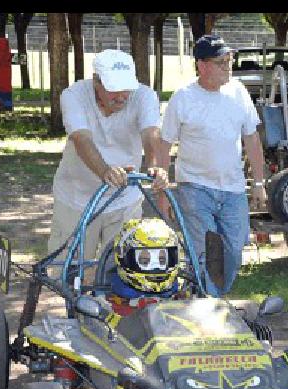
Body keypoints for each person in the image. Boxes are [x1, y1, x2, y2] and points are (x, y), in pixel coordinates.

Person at [158, 34, 267, 297]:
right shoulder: (183, 98)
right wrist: (161, 192)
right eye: (221, 62)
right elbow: (164, 145)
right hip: (194, 188)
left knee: (233, 251)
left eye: (229, 61)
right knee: (204, 251)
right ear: (202, 65)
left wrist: (260, 184)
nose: (228, 66)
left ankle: (205, 296)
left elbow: (251, 138)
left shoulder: (238, 92)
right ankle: (208, 304)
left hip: (233, 189)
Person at [48, 49, 170, 264]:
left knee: (121, 271)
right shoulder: (74, 95)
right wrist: (105, 171)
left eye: (126, 89)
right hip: (76, 198)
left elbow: (151, 134)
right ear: (96, 82)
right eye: (115, 90)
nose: (122, 95)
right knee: (70, 270)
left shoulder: (144, 95)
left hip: (124, 198)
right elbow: (81, 139)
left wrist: (154, 167)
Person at [106, 218, 185, 316]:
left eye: (161, 260)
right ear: (126, 259)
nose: (155, 268)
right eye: (144, 260)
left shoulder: (180, 296)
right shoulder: (110, 303)